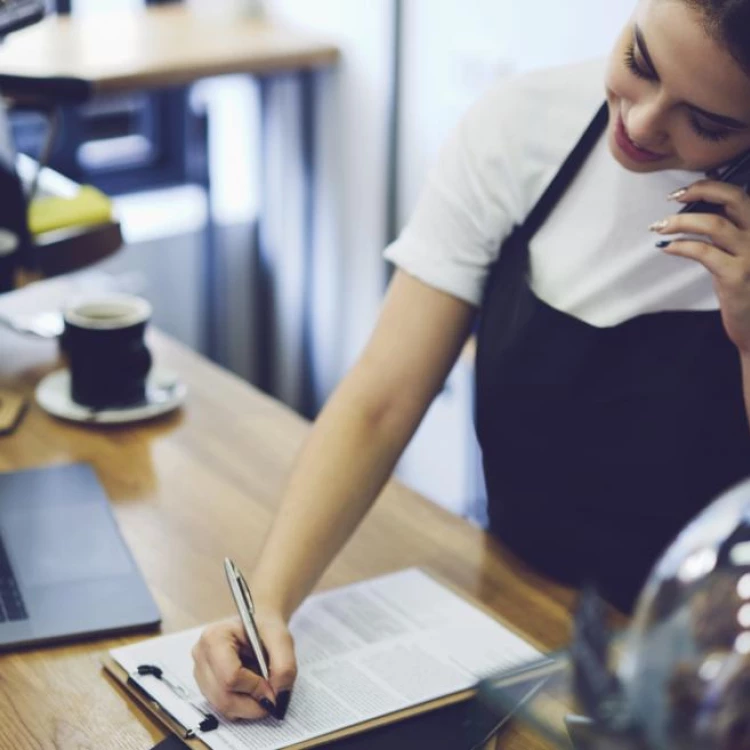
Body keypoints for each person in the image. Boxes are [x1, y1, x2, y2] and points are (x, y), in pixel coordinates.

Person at [192, 0, 750, 722]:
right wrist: (268, 602)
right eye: (639, 61)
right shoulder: (523, 126)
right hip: (513, 617)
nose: (641, 124)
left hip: (708, 684)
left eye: (706, 122)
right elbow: (382, 400)